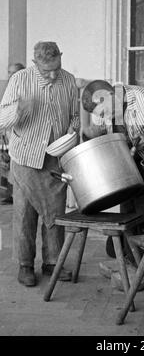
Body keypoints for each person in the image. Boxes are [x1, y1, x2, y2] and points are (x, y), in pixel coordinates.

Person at [0, 41, 80, 287]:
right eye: (47, 71)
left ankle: (52, 262)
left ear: (61, 58)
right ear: (36, 63)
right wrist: (18, 110)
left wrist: (72, 128)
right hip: (25, 157)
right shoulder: (20, 80)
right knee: (25, 214)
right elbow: (2, 119)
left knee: (55, 212)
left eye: (57, 67)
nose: (54, 74)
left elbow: (75, 114)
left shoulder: (68, 80)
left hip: (55, 157)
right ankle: (25, 265)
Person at [82, 80, 144, 286]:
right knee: (128, 215)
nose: (102, 118)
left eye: (103, 113)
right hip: (130, 166)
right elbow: (106, 135)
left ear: (107, 96)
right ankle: (131, 263)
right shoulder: (109, 107)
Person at [0, 62, 26, 205]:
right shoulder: (8, 89)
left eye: (14, 72)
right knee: (7, 164)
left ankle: (16, 196)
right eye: (9, 72)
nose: (10, 76)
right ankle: (10, 195)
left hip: (21, 134)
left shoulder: (25, 89)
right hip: (9, 133)